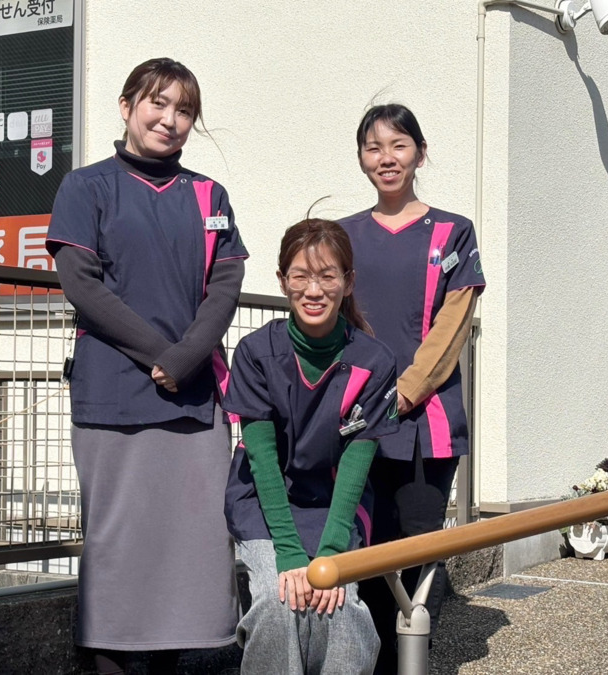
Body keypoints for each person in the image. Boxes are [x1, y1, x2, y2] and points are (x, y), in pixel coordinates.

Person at [45, 58, 247, 675]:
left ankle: (172, 657)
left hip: (193, 399)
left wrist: (185, 359)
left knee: (191, 542)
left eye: (184, 110)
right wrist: (161, 356)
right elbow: (82, 284)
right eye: (158, 104)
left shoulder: (210, 195)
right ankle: (107, 660)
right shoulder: (87, 186)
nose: (170, 119)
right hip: (113, 394)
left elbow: (226, 281)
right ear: (127, 105)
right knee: (117, 539)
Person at [339, 103, 486, 673]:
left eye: (398, 145)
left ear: (419, 154)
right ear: (361, 160)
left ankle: (414, 659)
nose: (386, 158)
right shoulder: (344, 236)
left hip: (426, 422)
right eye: (373, 148)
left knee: (419, 550)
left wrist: (403, 393)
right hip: (357, 421)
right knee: (366, 549)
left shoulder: (453, 231)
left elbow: (452, 327)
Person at [223, 219, 400, 675]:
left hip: (336, 508)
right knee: (278, 602)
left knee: (337, 606)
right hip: (265, 506)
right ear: (282, 281)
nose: (313, 290)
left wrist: (330, 553)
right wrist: (288, 552)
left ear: (348, 282)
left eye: (327, 276)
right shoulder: (256, 353)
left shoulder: (374, 361)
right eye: (300, 276)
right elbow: (261, 460)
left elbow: (358, 465)